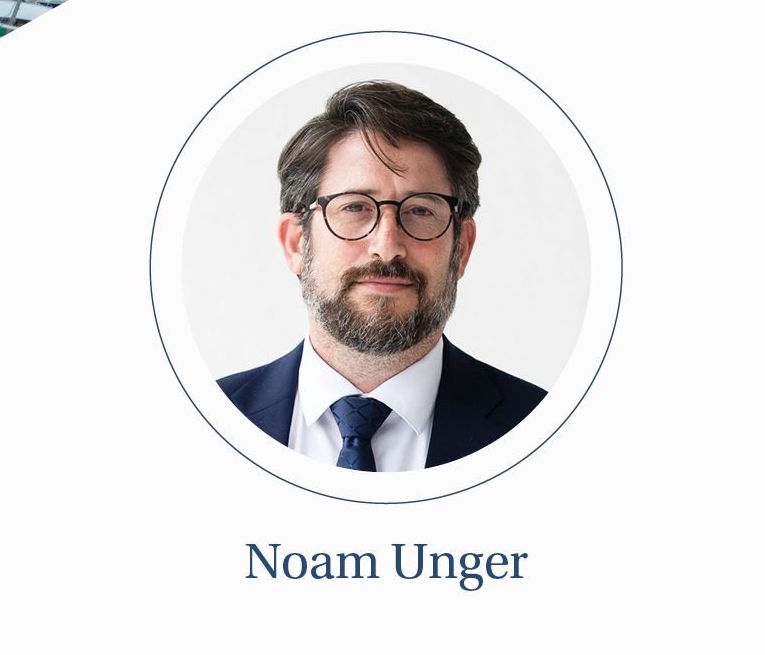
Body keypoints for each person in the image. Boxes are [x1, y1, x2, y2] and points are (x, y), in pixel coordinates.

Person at [218, 80, 545, 472]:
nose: (387, 246)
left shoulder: (545, 429)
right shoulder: (207, 421)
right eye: (355, 207)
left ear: (463, 247)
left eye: (421, 210)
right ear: (295, 243)